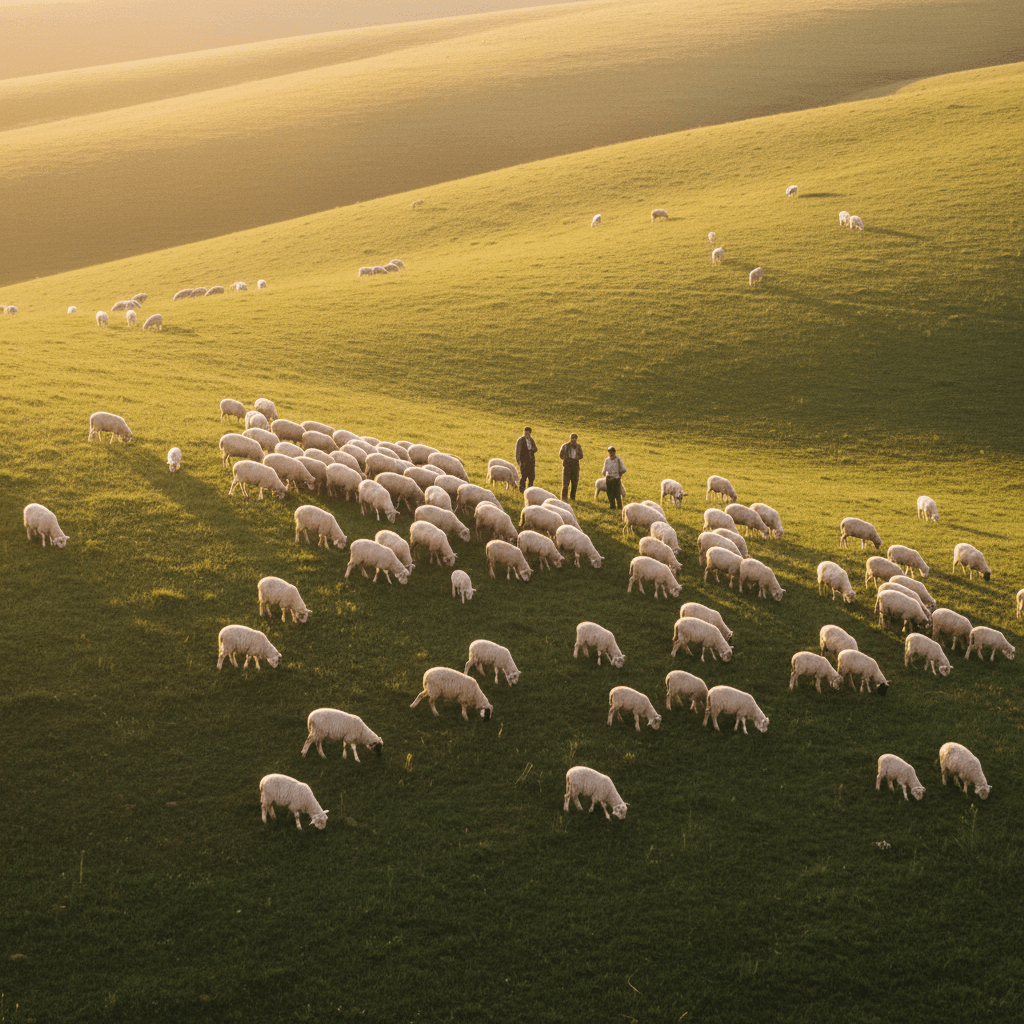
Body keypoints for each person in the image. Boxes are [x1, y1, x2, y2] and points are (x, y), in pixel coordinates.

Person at [558, 432, 584, 501]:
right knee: (565, 484)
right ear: (570, 438)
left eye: (575, 438)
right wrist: (566, 459)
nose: (573, 439)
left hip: (575, 465)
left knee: (574, 484)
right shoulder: (565, 446)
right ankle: (564, 498)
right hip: (567, 466)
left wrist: (576, 458)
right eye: (572, 438)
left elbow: (581, 456)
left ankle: (572, 498)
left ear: (576, 439)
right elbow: (560, 454)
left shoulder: (578, 446)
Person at [602, 445, 626, 510]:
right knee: (609, 494)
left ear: (615, 452)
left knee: (617, 494)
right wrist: (606, 475)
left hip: (616, 479)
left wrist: (619, 475)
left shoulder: (618, 460)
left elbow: (624, 469)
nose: (611, 453)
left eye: (612, 452)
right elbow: (604, 471)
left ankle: (619, 507)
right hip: (609, 479)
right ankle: (612, 507)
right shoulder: (607, 460)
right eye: (609, 452)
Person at [515, 426, 538, 492]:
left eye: (528, 434)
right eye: (525, 434)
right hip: (523, 461)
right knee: (523, 477)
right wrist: (519, 461)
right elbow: (517, 452)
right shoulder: (520, 440)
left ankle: (530, 491)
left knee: (531, 477)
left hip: (531, 461)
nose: (527, 435)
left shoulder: (531, 440)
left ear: (530, 433)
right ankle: (521, 491)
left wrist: (531, 450)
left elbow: (535, 448)